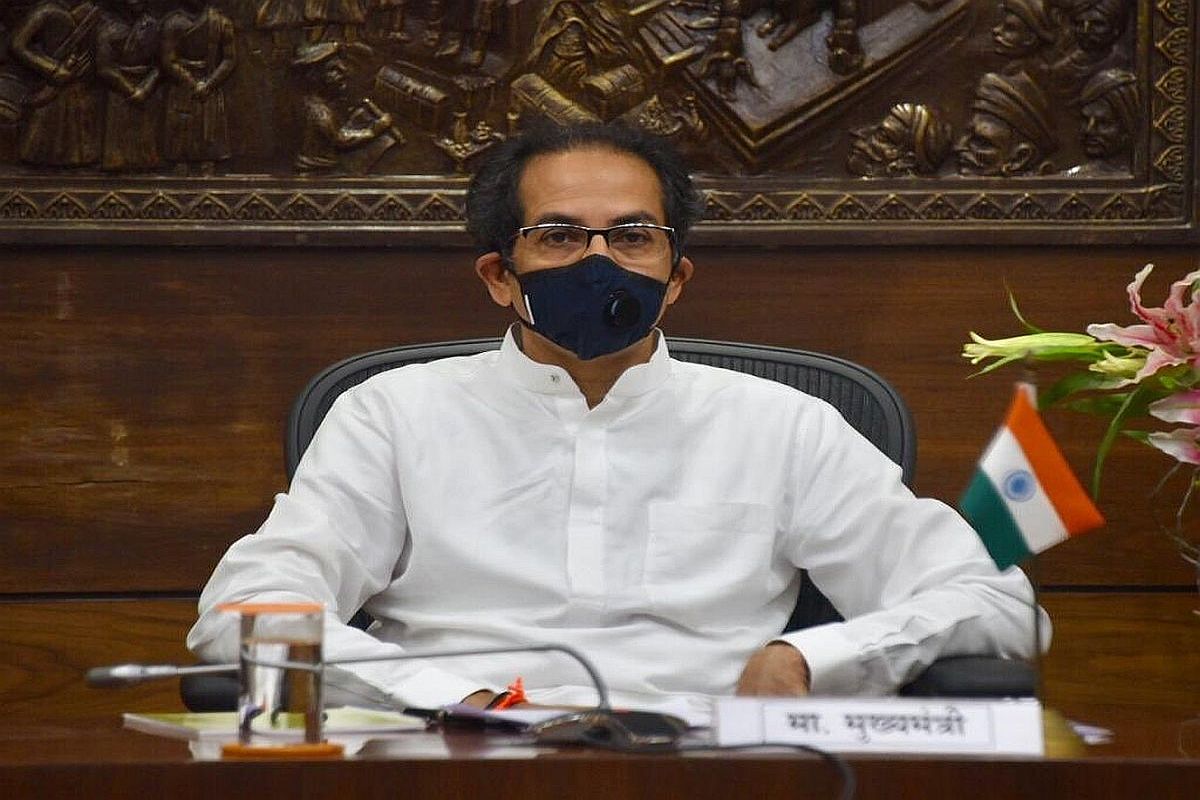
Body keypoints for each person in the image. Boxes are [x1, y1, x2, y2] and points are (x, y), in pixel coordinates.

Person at [188, 122, 1045, 713]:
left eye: (633, 236)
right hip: (453, 753)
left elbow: (994, 603)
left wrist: (809, 659)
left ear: (675, 278)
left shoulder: (784, 426)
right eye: (560, 235)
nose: (599, 261)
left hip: (705, 764)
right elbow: (245, 611)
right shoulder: (392, 415)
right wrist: (444, 696)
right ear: (499, 276)